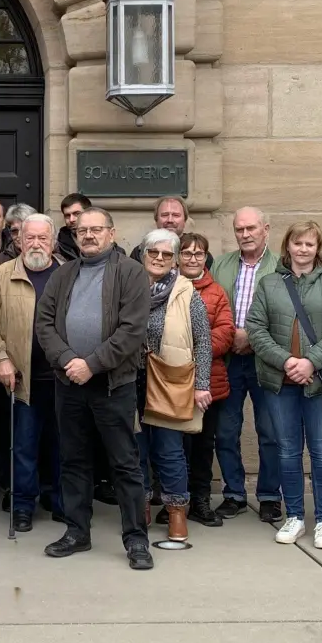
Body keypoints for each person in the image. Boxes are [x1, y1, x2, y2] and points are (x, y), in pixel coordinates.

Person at [35, 207, 153, 570]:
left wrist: (92, 364)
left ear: (111, 234)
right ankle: (77, 531)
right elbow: (44, 323)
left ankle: (136, 540)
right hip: (69, 383)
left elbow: (131, 331)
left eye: (96, 229)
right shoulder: (63, 273)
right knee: (73, 461)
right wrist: (70, 360)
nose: (88, 235)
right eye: (82, 230)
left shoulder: (131, 273)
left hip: (112, 385)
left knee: (124, 464)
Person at [249, 222, 322, 549]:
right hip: (280, 382)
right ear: (288, 246)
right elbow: (256, 329)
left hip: (320, 382)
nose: (303, 249)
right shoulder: (269, 284)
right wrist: (287, 362)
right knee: (287, 450)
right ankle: (295, 515)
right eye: (298, 243)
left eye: (310, 244)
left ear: (318, 248)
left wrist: (310, 362)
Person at [0, 214, 64, 532]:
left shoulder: (68, 274)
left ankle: (61, 501)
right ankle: (23, 505)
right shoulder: (1, 276)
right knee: (24, 446)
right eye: (30, 237)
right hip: (22, 380)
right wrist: (1, 359)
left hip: (63, 379)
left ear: (53, 241)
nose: (37, 243)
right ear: (19, 240)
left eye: (43, 238)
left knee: (64, 446)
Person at [134, 229, 213, 548]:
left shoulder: (186, 292)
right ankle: (138, 510)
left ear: (176, 259)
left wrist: (202, 385)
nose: (159, 259)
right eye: (154, 252)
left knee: (168, 450)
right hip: (132, 379)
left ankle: (177, 513)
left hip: (170, 380)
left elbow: (203, 341)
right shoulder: (128, 288)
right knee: (134, 449)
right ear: (143, 255)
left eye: (167, 254)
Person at [208, 206, 283, 522]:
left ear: (266, 229)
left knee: (270, 431)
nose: (245, 234)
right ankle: (234, 494)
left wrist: (252, 336)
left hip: (266, 361)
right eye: (240, 229)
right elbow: (209, 307)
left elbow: (285, 315)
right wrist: (230, 337)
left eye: (251, 228)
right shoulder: (222, 265)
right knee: (225, 431)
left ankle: (268, 496)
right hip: (228, 361)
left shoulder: (282, 267)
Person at [178, 233, 233, 527]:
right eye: (186, 253)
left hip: (209, 381)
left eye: (198, 254)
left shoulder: (216, 292)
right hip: (171, 380)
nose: (192, 258)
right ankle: (177, 500)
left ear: (206, 258)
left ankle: (200, 499)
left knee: (202, 444)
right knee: (176, 446)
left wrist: (188, 346)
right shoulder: (166, 288)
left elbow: (225, 333)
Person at [130, 196, 212, 269]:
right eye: (164, 215)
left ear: (185, 220)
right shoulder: (140, 252)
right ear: (156, 220)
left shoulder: (199, 252)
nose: (170, 220)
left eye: (176, 215)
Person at [55, 193, 90, 263]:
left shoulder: (104, 242)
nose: (71, 220)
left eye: (77, 214)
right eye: (67, 215)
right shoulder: (58, 247)